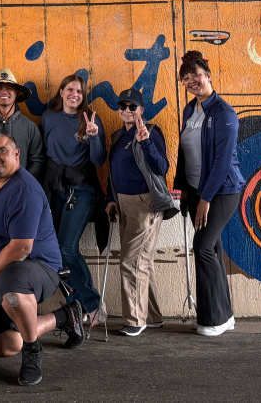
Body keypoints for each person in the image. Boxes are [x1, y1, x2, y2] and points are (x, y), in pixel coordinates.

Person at [0, 132, 83, 387]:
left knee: (12, 291)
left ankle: (33, 352)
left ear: (17, 154)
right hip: (0, 274)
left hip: (35, 267)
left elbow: (21, 247)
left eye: (2, 151)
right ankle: (66, 316)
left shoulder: (25, 190)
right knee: (7, 346)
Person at [174, 51, 244, 337]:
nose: (193, 82)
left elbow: (222, 161)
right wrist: (180, 189)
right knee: (212, 249)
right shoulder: (190, 110)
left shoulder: (224, 113)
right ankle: (224, 315)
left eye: (197, 76)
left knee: (202, 247)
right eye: (187, 79)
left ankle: (214, 319)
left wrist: (206, 199)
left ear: (209, 76)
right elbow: (183, 152)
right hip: (194, 191)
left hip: (223, 190)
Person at [40, 73, 106, 327]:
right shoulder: (48, 118)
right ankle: (78, 305)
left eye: (79, 91)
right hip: (55, 189)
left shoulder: (90, 119)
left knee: (67, 248)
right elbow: (45, 154)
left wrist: (93, 136)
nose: (74, 94)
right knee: (54, 251)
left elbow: (99, 160)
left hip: (81, 190)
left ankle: (91, 305)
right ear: (61, 91)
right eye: (69, 89)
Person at [105, 88, 168, 337]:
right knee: (142, 261)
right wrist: (111, 200)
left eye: (133, 107)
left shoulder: (151, 132)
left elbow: (161, 166)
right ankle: (152, 316)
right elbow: (112, 172)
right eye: (123, 106)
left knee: (131, 261)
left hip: (145, 203)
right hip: (123, 202)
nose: (127, 111)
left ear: (141, 110)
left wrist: (147, 143)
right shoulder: (118, 136)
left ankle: (134, 320)